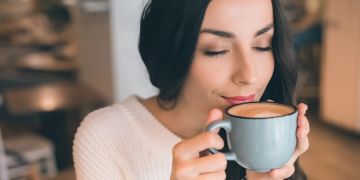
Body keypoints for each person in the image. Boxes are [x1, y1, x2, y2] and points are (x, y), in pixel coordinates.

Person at [73, 0, 310, 179]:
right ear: (173, 51)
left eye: (262, 46)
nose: (250, 76)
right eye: (216, 50)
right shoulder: (104, 138)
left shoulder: (272, 137)